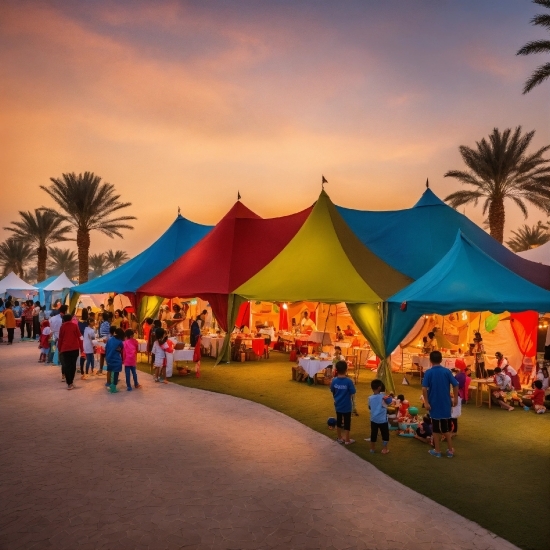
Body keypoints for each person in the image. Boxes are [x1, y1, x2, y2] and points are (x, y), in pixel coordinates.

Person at [422, 350, 459, 458]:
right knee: (446, 428)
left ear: (430, 360)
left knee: (435, 428)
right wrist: (455, 398)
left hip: (433, 404)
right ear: (441, 360)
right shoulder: (447, 372)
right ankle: (450, 450)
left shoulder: (428, 372)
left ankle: (437, 450)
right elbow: (456, 385)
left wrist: (426, 402)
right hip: (445, 403)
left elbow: (424, 388)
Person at [330, 360, 356, 445]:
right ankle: (347, 440)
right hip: (347, 406)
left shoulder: (334, 380)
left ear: (336, 369)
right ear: (346, 369)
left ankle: (339, 438)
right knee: (347, 422)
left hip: (338, 404)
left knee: (339, 421)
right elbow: (353, 392)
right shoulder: (349, 381)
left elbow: (332, 390)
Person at [57, 314, 82, 390]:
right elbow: (79, 336)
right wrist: (82, 348)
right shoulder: (75, 326)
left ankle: (69, 383)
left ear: (64, 319)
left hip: (65, 349)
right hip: (74, 348)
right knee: (73, 365)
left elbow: (60, 338)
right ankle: (71, 381)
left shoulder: (62, 327)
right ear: (71, 319)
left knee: (67, 366)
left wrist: (59, 348)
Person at [368, 379, 390, 454]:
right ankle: (384, 449)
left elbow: (369, 407)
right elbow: (389, 403)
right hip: (383, 420)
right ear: (379, 388)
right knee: (385, 435)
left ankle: (372, 448)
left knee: (373, 434)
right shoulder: (384, 397)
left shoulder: (370, 398)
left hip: (373, 419)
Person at [105, 327, 125, 393]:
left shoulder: (110, 339)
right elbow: (119, 351)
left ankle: (109, 383)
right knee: (116, 373)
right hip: (116, 359)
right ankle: (113, 387)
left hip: (108, 358)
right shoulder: (120, 343)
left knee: (110, 371)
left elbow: (106, 348)